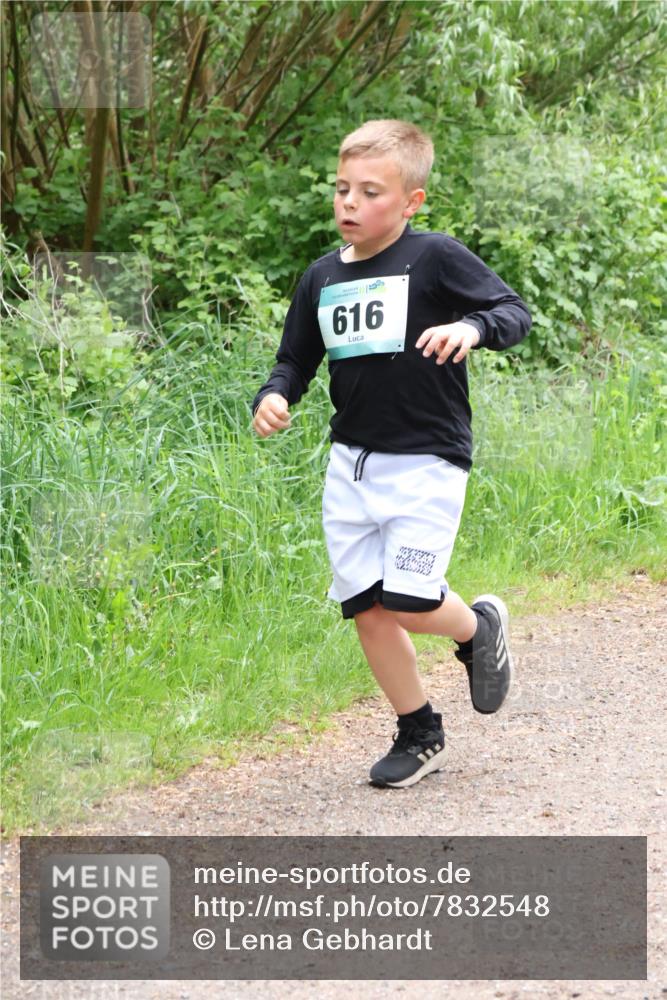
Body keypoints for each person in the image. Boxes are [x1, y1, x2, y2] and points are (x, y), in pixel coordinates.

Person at [251, 119, 532, 789]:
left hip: (428, 458)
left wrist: (469, 326)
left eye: (369, 191)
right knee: (366, 608)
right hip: (350, 465)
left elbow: (511, 311)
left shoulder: (433, 257)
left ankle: (475, 628)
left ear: (410, 201)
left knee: (407, 599)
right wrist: (274, 394)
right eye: (341, 188)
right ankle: (419, 730)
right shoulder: (320, 277)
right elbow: (296, 357)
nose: (349, 202)